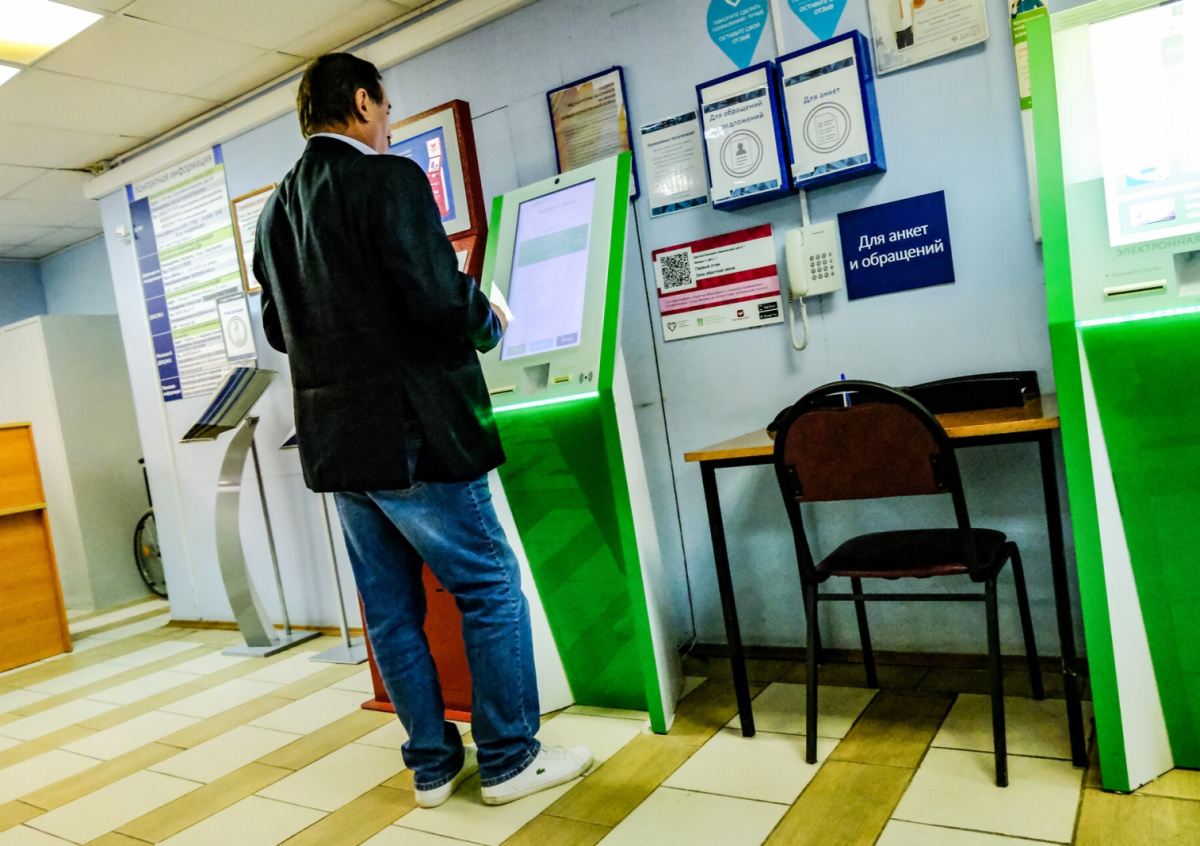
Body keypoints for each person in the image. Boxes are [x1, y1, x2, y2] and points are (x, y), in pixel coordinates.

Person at [253, 52, 592, 808]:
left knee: (391, 612)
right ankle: (509, 759)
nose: (388, 120)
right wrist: (489, 319)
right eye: (385, 106)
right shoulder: (390, 179)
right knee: (490, 587)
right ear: (363, 102)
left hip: (340, 453)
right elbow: (440, 298)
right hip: (417, 438)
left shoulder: (275, 213)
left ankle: (433, 767)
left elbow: (279, 329)